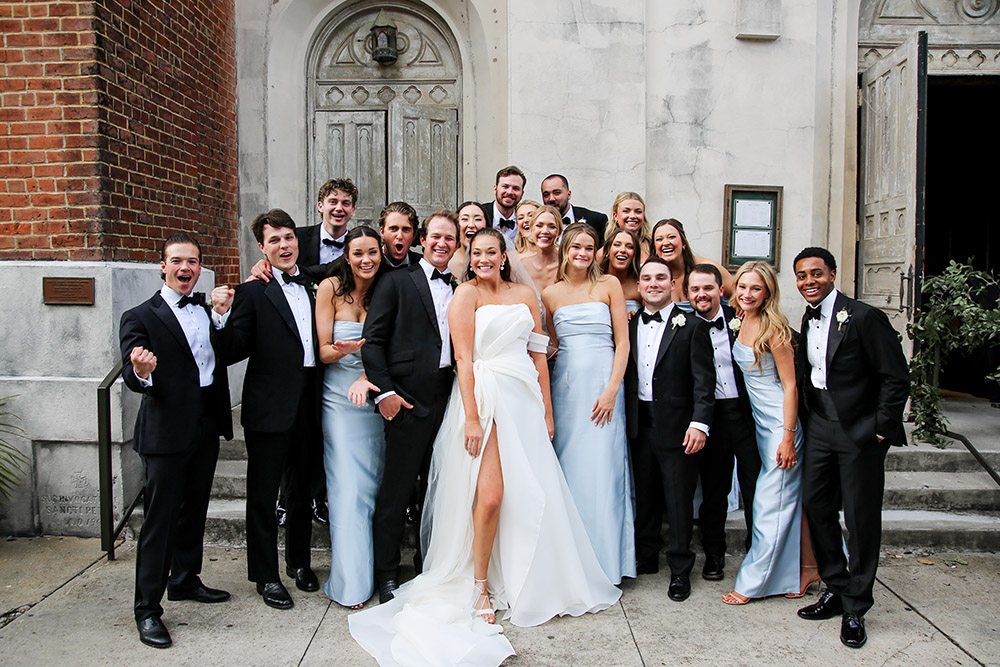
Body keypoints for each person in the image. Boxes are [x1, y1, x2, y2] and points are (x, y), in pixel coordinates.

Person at [349, 228, 621, 666]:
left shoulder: (525, 296)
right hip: (486, 397)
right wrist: (472, 417)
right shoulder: (465, 296)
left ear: (503, 255)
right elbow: (462, 360)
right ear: (469, 257)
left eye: (491, 252)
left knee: (531, 491)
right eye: (476, 253)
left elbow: (538, 354)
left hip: (524, 398)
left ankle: (520, 577)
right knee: (490, 496)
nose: (484, 259)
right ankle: (478, 586)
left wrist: (547, 411)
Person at [120, 234, 233, 649]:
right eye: (178, 262)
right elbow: (134, 375)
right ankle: (147, 609)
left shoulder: (205, 309)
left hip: (205, 424)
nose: (186, 268)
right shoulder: (139, 316)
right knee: (159, 522)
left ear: (200, 268)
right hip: (166, 432)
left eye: (194, 262)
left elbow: (218, 354)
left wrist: (221, 317)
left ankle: (184, 579)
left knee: (194, 511)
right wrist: (141, 369)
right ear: (162, 267)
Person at [793, 247, 909, 649]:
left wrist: (879, 429)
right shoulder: (807, 319)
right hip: (820, 427)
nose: (809, 281)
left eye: (816, 274)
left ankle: (857, 606)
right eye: (802, 276)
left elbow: (896, 376)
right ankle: (838, 586)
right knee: (817, 505)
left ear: (833, 274)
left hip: (859, 432)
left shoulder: (863, 317)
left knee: (860, 519)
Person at [211, 209, 320, 610]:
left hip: (311, 405)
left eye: (288, 237)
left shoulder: (313, 281)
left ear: (297, 240)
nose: (283, 245)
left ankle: (300, 564)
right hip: (269, 409)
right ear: (262, 248)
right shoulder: (253, 291)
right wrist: (219, 317)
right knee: (262, 496)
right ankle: (266, 576)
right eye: (273, 240)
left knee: (301, 491)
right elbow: (232, 350)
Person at [362, 210, 460, 604]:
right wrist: (384, 394)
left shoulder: (461, 286)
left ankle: (428, 565)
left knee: (437, 489)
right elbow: (372, 342)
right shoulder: (395, 281)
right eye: (435, 236)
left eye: (449, 238)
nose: (442, 243)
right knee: (397, 490)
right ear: (423, 239)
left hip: (447, 399)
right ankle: (386, 573)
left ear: (457, 244)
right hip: (405, 399)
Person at [542, 223, 635, 584]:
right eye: (575, 246)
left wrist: (612, 389)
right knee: (571, 471)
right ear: (565, 249)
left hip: (603, 388)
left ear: (597, 251)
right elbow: (552, 346)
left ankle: (607, 563)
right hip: (567, 391)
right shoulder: (550, 294)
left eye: (589, 247)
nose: (582, 253)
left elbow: (623, 343)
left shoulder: (608, 285)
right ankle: (572, 561)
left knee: (604, 469)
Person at [721, 261, 812, 605]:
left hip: (779, 426)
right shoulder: (741, 319)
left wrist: (788, 436)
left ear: (768, 292)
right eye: (742, 286)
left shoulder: (775, 329)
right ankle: (810, 566)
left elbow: (790, 387)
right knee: (789, 503)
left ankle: (752, 583)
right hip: (759, 425)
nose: (747, 294)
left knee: (767, 504)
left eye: (755, 288)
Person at [624, 257, 715, 601]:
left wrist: (699, 423)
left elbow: (706, 383)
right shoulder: (630, 325)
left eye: (660, 278)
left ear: (672, 283)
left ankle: (680, 569)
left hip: (679, 427)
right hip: (639, 423)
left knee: (678, 500)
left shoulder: (692, 327)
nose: (653, 284)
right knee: (645, 495)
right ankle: (646, 557)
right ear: (639, 286)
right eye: (647, 278)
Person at [314, 227, 385, 609]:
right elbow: (322, 351)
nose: (366, 260)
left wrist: (368, 371)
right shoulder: (329, 288)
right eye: (358, 253)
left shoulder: (386, 288)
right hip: (338, 401)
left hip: (373, 399)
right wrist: (342, 351)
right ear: (347, 254)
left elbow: (391, 344)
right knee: (347, 489)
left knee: (372, 488)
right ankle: (350, 583)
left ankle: (373, 572)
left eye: (372, 252)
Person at [687, 264, 760, 581]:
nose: (702, 294)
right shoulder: (684, 326)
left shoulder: (742, 319)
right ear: (688, 294)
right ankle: (714, 554)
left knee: (756, 488)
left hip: (745, 416)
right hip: (710, 418)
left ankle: (758, 552)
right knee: (714, 492)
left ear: (720, 290)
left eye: (708, 288)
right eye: (695, 289)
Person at [651, 218, 734, 307]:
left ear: (683, 242)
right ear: (655, 246)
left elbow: (737, 295)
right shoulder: (649, 277)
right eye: (659, 239)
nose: (666, 243)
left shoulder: (708, 267)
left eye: (671, 237)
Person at [540, 173, 607, 246]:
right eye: (546, 195)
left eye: (557, 193)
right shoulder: (537, 223)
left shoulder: (596, 220)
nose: (551, 198)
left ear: (569, 195)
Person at [517, 204, 563, 297]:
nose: (545, 231)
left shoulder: (567, 265)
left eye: (552, 226)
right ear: (531, 229)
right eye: (539, 225)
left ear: (559, 232)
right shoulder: (521, 266)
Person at [598, 228, 643, 316]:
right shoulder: (594, 281)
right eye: (617, 245)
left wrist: (637, 317)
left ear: (635, 254)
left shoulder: (641, 283)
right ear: (607, 250)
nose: (622, 250)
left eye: (629, 246)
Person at [602, 192, 652, 262]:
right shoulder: (605, 251)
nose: (633, 216)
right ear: (615, 216)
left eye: (638, 211)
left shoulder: (653, 245)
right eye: (626, 211)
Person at [482, 165, 526, 244]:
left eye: (515, 188)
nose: (509, 192)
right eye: (505, 186)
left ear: (522, 194)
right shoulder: (481, 213)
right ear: (495, 189)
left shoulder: (526, 219)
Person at [449, 201, 490, 278]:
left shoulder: (495, 261)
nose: (471, 225)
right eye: (465, 219)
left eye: (478, 219)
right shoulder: (446, 260)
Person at [378, 201, 422, 270]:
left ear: (414, 234)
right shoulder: (370, 266)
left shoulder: (423, 266)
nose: (399, 236)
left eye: (406, 229)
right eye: (393, 229)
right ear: (382, 232)